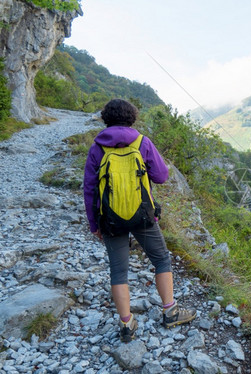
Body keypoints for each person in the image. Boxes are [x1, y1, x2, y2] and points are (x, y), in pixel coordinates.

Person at [83, 99, 196, 342]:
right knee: (161, 259)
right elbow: (162, 176)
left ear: (106, 118)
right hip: (143, 215)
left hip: (110, 219)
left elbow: (89, 189)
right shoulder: (142, 142)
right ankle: (170, 310)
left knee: (118, 271)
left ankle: (126, 324)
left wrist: (94, 225)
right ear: (132, 118)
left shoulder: (97, 147)